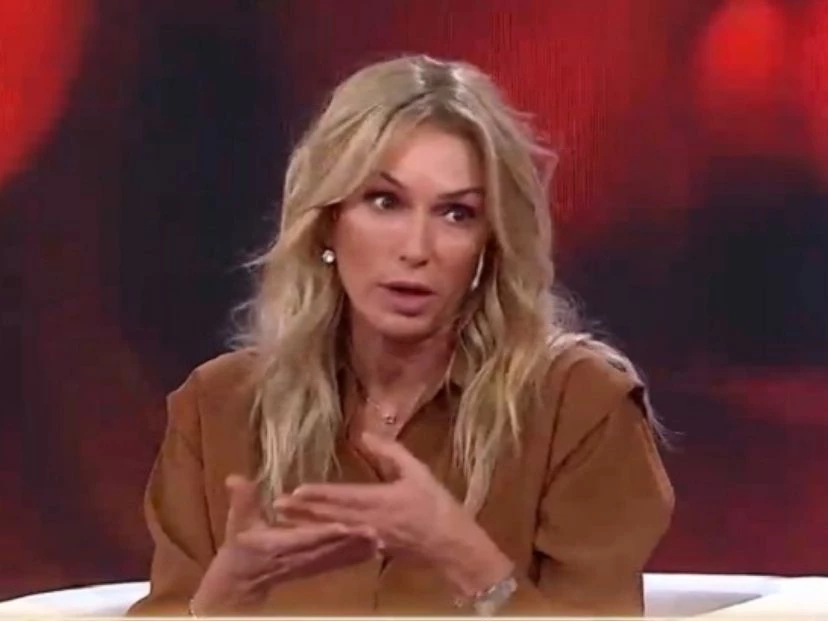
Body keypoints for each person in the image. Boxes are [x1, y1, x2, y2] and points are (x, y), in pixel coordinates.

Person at [128, 54, 674, 617]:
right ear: (328, 221)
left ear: (490, 243)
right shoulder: (217, 409)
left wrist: (465, 557)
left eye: (456, 213)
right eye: (384, 202)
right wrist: (221, 600)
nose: (416, 249)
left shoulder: (580, 408)